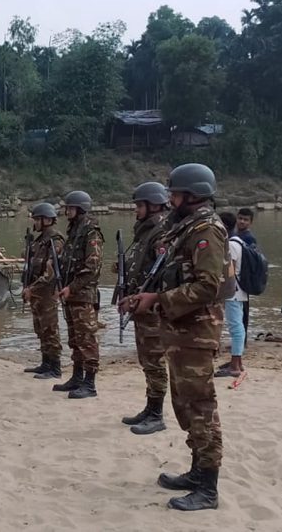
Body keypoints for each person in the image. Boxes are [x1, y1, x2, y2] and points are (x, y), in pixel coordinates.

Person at [123, 162, 226, 511]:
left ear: (192, 195)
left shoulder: (207, 231)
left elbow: (208, 286)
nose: (170, 198)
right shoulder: (185, 227)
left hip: (196, 332)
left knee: (200, 406)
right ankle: (198, 471)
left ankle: (208, 488)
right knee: (184, 405)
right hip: (181, 330)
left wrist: (160, 300)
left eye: (175, 193)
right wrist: (148, 298)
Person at [120, 182, 171, 435]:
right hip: (140, 306)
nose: (136, 210)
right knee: (146, 359)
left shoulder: (160, 232)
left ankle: (157, 413)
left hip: (152, 309)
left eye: (140, 205)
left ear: (154, 205)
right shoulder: (145, 232)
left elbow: (163, 271)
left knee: (154, 360)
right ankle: (150, 408)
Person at [53, 190, 104, 399]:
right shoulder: (75, 231)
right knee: (75, 338)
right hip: (71, 295)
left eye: (70, 208)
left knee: (87, 339)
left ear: (79, 209)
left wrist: (72, 287)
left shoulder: (91, 232)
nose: (66, 212)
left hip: (83, 295)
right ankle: (77, 376)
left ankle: (90, 383)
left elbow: (92, 265)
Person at [21, 202, 65, 379]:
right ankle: (45, 363)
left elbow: (50, 272)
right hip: (36, 292)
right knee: (40, 328)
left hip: (46, 292)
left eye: (37, 219)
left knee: (50, 329)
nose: (35, 222)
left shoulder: (55, 240)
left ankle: (55, 367)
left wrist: (32, 288)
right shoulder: (39, 241)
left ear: (46, 220)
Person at [216, 212, 247, 378]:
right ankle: (238, 362)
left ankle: (234, 366)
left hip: (233, 291)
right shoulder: (238, 241)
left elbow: (231, 271)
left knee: (235, 327)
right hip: (237, 291)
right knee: (237, 325)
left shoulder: (232, 245)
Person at [235, 207, 256, 346]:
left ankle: (243, 339)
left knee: (243, 310)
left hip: (243, 279)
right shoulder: (237, 235)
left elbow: (252, 260)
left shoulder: (249, 238)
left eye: (245, 220)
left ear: (250, 222)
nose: (242, 222)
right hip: (237, 278)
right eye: (240, 218)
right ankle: (241, 338)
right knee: (238, 310)